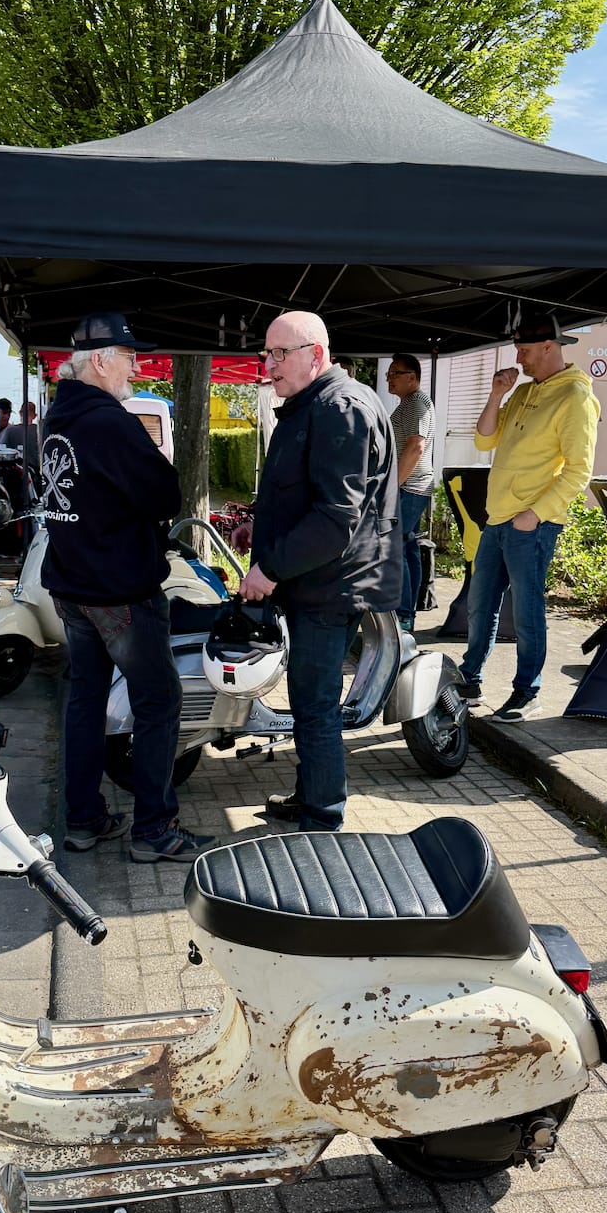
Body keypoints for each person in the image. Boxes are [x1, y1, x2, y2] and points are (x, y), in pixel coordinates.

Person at [41, 311, 213, 864]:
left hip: (73, 586)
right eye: (128, 358)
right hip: (118, 588)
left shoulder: (57, 418)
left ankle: (83, 819)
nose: (135, 369)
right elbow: (165, 495)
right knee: (159, 701)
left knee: (86, 700)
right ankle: (154, 829)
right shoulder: (109, 422)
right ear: (99, 361)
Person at [239, 310, 400, 832]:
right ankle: (312, 794)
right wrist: (259, 528)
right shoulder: (316, 404)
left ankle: (323, 816)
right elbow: (304, 494)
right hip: (319, 583)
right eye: (267, 353)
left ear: (316, 354)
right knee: (309, 700)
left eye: (279, 354)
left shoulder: (340, 408)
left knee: (314, 705)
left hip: (331, 588)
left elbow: (335, 519)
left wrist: (270, 567)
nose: (269, 365)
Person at [456, 313, 600, 720]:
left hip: (530, 523)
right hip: (498, 518)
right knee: (480, 604)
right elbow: (484, 439)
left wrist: (534, 515)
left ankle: (527, 691)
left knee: (527, 612)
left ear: (548, 347)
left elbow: (579, 471)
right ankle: (470, 679)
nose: (518, 358)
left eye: (524, 350)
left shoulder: (575, 397)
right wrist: (496, 394)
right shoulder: (522, 391)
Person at [386, 352, 435, 632]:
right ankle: (408, 614)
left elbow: (416, 446)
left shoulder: (416, 404)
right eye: (389, 373)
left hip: (410, 487)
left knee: (396, 548)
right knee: (408, 547)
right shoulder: (409, 403)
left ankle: (403, 616)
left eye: (396, 373)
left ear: (412, 377)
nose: (389, 378)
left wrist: (393, 485)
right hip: (411, 487)